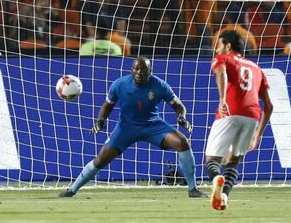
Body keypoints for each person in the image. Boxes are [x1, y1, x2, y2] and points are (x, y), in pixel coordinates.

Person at [60, 57, 205, 198]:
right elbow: (107, 106)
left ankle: (192, 189)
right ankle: (72, 189)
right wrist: (100, 121)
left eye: (143, 69)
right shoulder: (119, 84)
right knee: (101, 160)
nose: (139, 72)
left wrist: (181, 117)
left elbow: (178, 106)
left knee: (183, 142)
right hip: (126, 127)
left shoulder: (160, 85)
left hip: (153, 125)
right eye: (136, 69)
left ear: (150, 71)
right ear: (131, 70)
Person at [204, 30, 273, 211]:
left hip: (230, 112)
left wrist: (222, 99)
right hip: (252, 117)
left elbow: (220, 72)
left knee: (212, 160)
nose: (216, 50)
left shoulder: (223, 59)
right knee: (233, 161)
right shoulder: (256, 68)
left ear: (228, 46)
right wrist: (258, 134)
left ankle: (216, 179)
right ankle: (224, 196)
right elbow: (269, 105)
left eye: (218, 45)